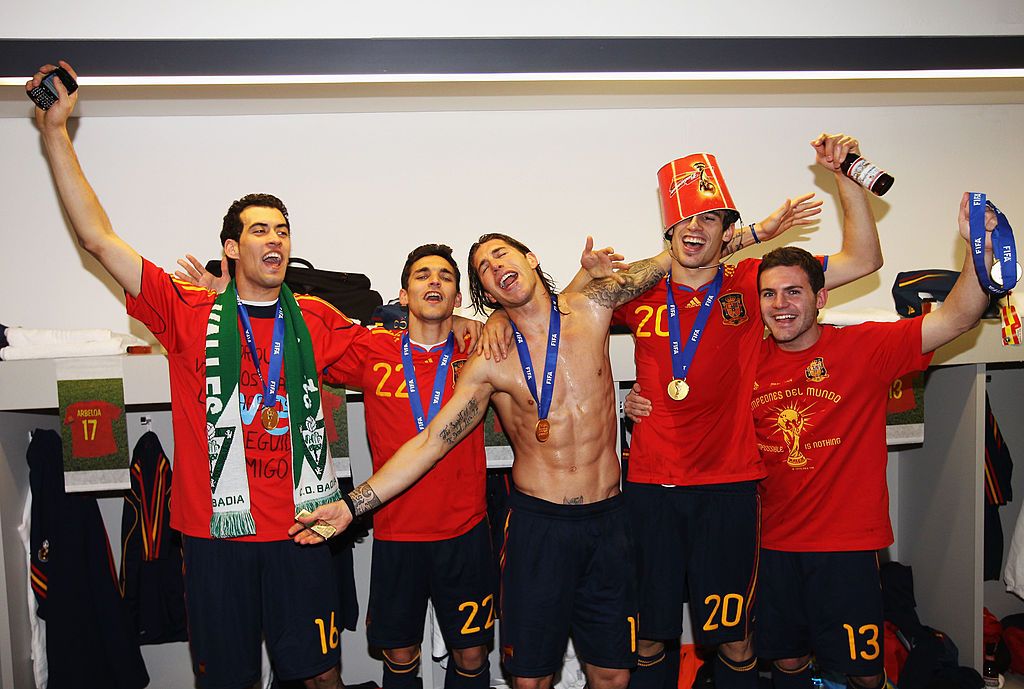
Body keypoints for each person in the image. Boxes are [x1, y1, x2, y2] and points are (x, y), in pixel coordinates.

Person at [29, 60, 362, 689]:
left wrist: (455, 324)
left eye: (283, 231)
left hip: (304, 533)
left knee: (322, 678)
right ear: (232, 248)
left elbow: (400, 357)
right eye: (260, 229)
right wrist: (54, 133)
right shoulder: (187, 311)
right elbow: (99, 239)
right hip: (216, 542)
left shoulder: (317, 318)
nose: (276, 239)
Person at [292, 233, 683, 689]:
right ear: (486, 295)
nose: (495, 267)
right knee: (529, 678)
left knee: (613, 673)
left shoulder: (592, 309)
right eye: (484, 269)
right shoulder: (487, 361)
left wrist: (750, 235)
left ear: (531, 259)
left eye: (502, 256)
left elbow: (670, 257)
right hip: (538, 525)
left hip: (608, 519)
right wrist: (349, 506)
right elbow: (432, 441)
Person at [618, 137, 883, 689]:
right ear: (667, 231)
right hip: (650, 485)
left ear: (728, 231)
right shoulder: (637, 291)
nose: (698, 229)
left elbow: (864, 260)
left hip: (730, 488)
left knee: (733, 634)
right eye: (688, 220)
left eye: (713, 220)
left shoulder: (754, 282)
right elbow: (565, 313)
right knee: (648, 634)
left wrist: (845, 178)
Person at [749, 194, 995, 689]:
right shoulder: (747, 361)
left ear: (820, 299)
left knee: (864, 673)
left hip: (847, 549)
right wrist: (639, 400)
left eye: (794, 292)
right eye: (770, 294)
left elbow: (956, 319)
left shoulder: (864, 347)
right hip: (772, 548)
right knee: (787, 664)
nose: (781, 305)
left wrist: (978, 250)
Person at [324, 244, 494, 689]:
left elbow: (530, 318)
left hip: (465, 530)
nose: (433, 281)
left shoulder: (481, 349)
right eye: (421, 275)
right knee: (400, 654)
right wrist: (230, 299)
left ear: (458, 298)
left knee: (472, 654)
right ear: (402, 295)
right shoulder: (373, 348)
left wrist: (490, 322)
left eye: (444, 276)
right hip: (398, 531)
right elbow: (301, 340)